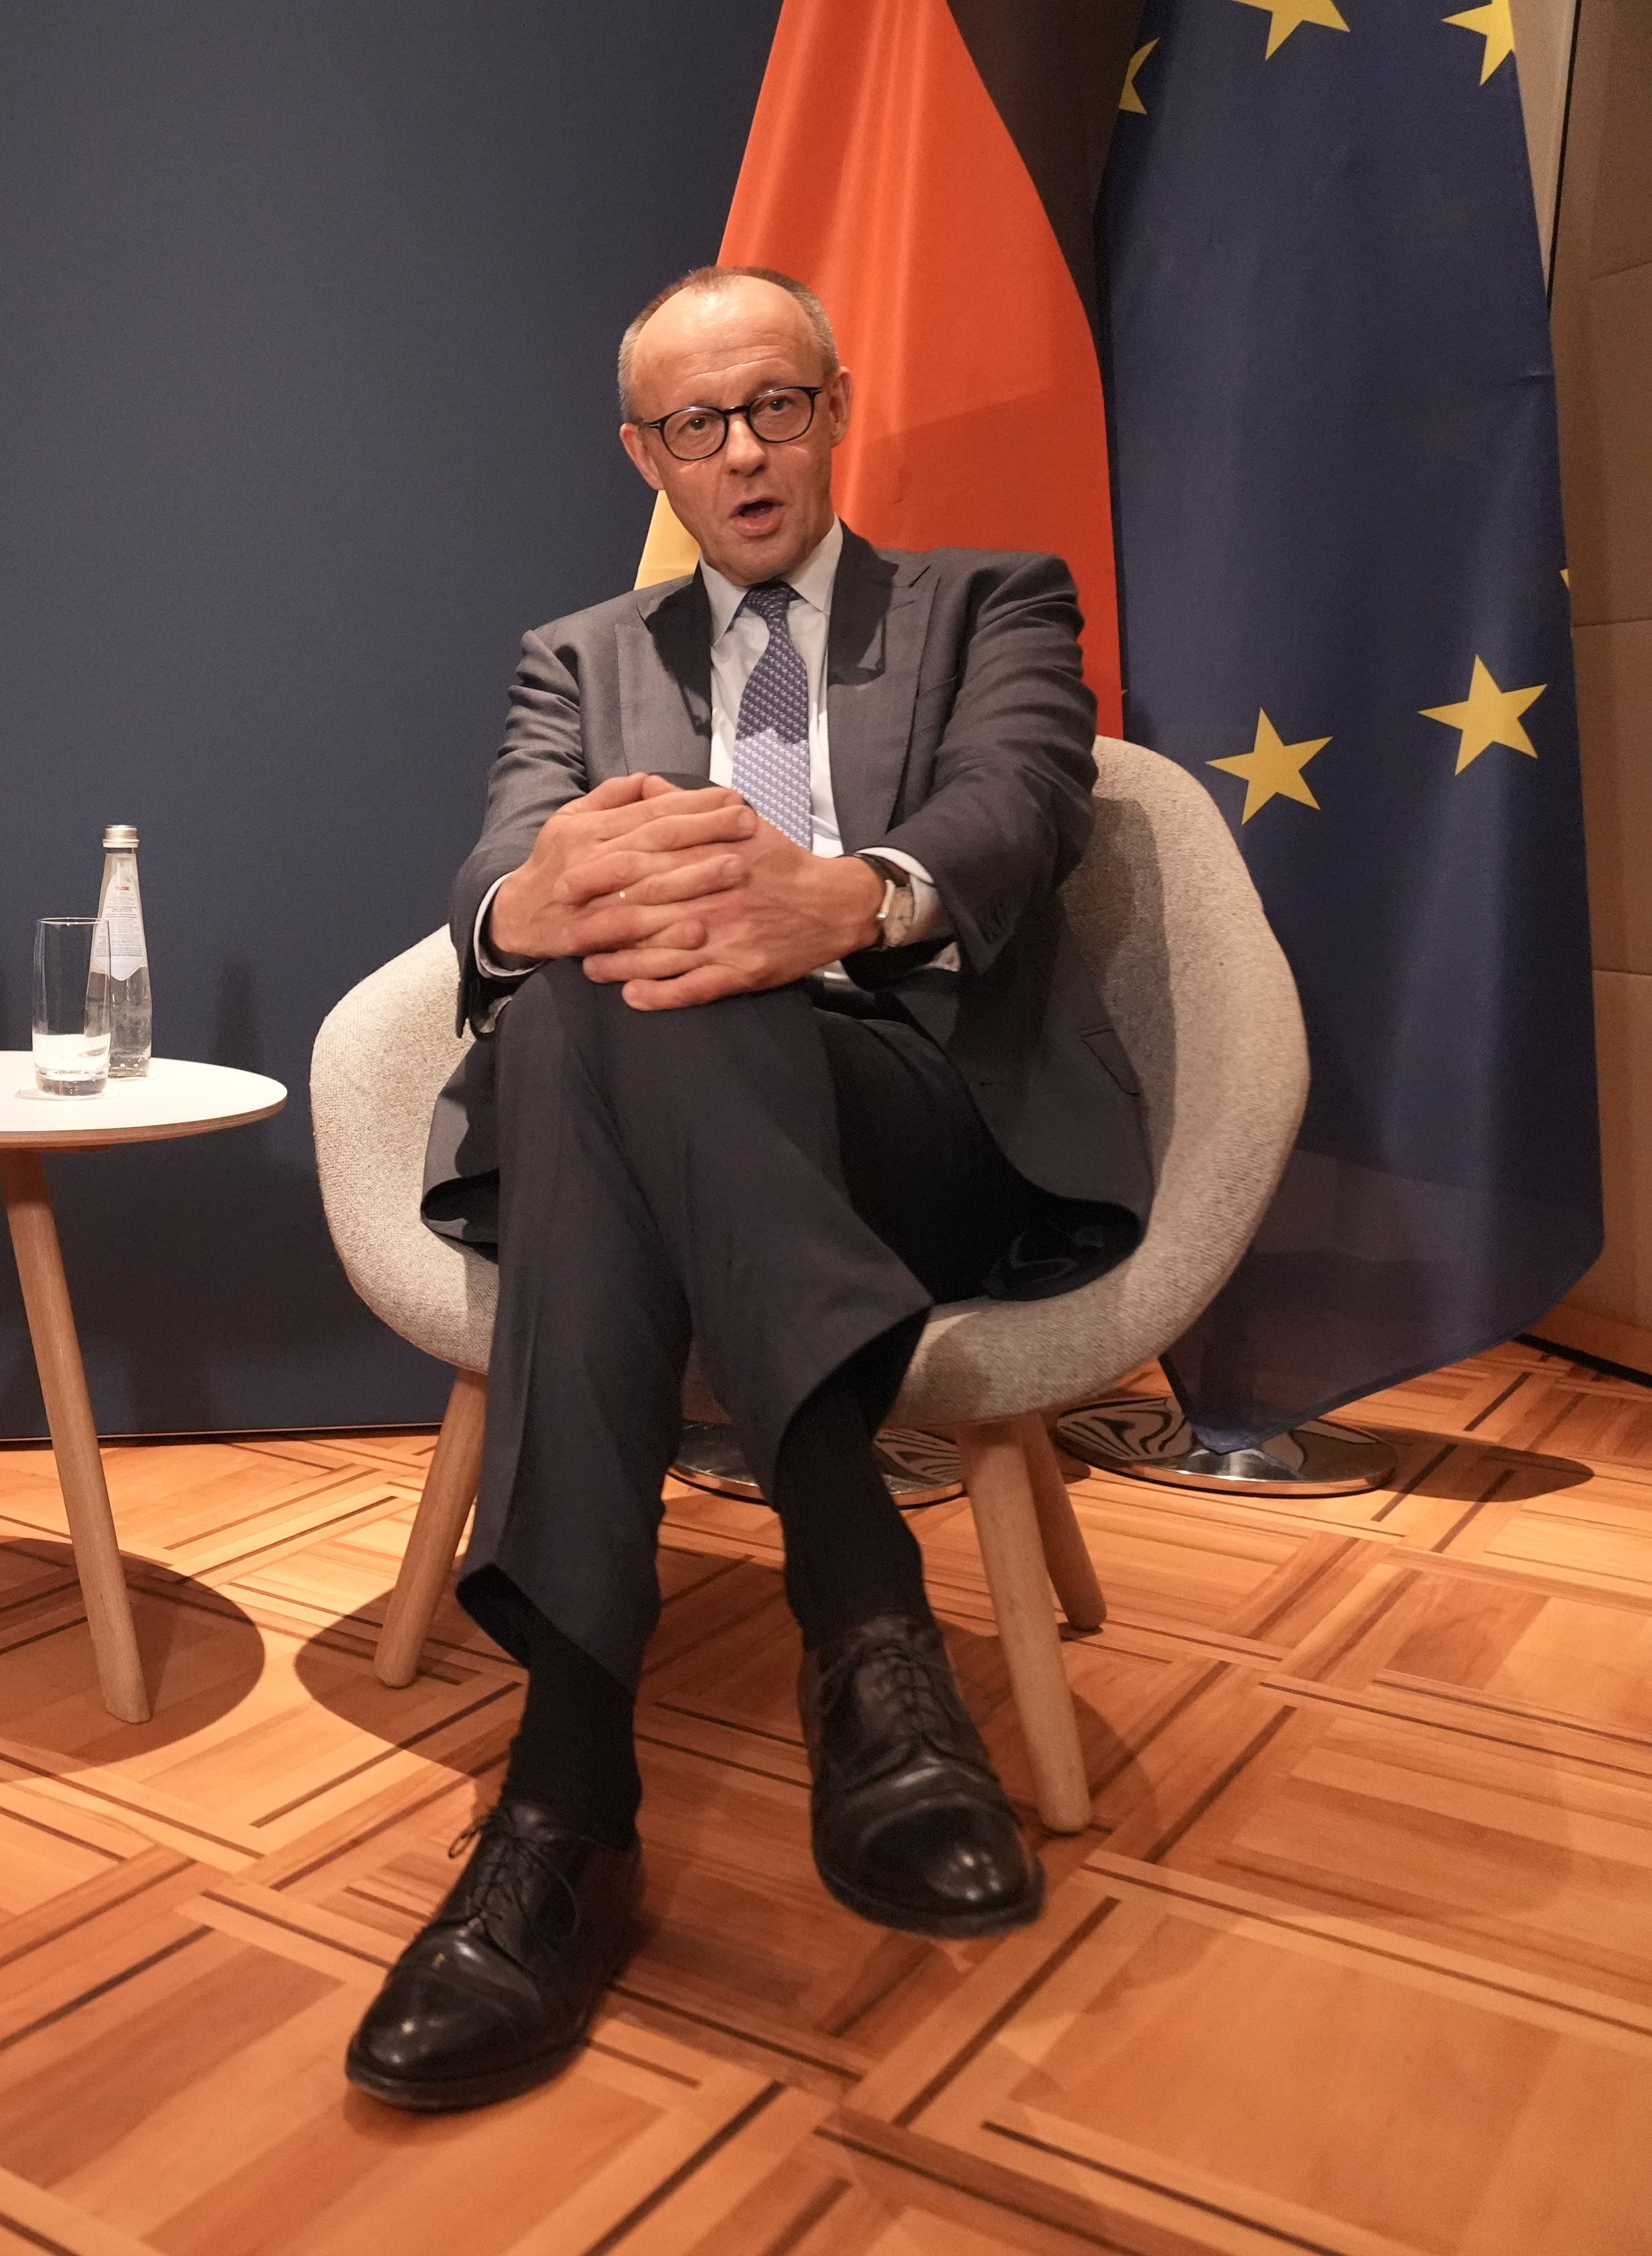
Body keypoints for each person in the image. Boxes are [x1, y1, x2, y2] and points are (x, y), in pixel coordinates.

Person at [344, 266, 1152, 2113]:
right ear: (648, 451)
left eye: (775, 403)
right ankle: (858, 1647)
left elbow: (1021, 805)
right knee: (611, 998)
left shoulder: (989, 600)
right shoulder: (578, 656)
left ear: (834, 408)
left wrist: (844, 896)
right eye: (696, 423)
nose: (743, 450)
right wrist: (517, 913)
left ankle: (561, 1819)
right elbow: (506, 860)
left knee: (648, 994)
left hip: (917, 1119)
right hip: (646, 1107)